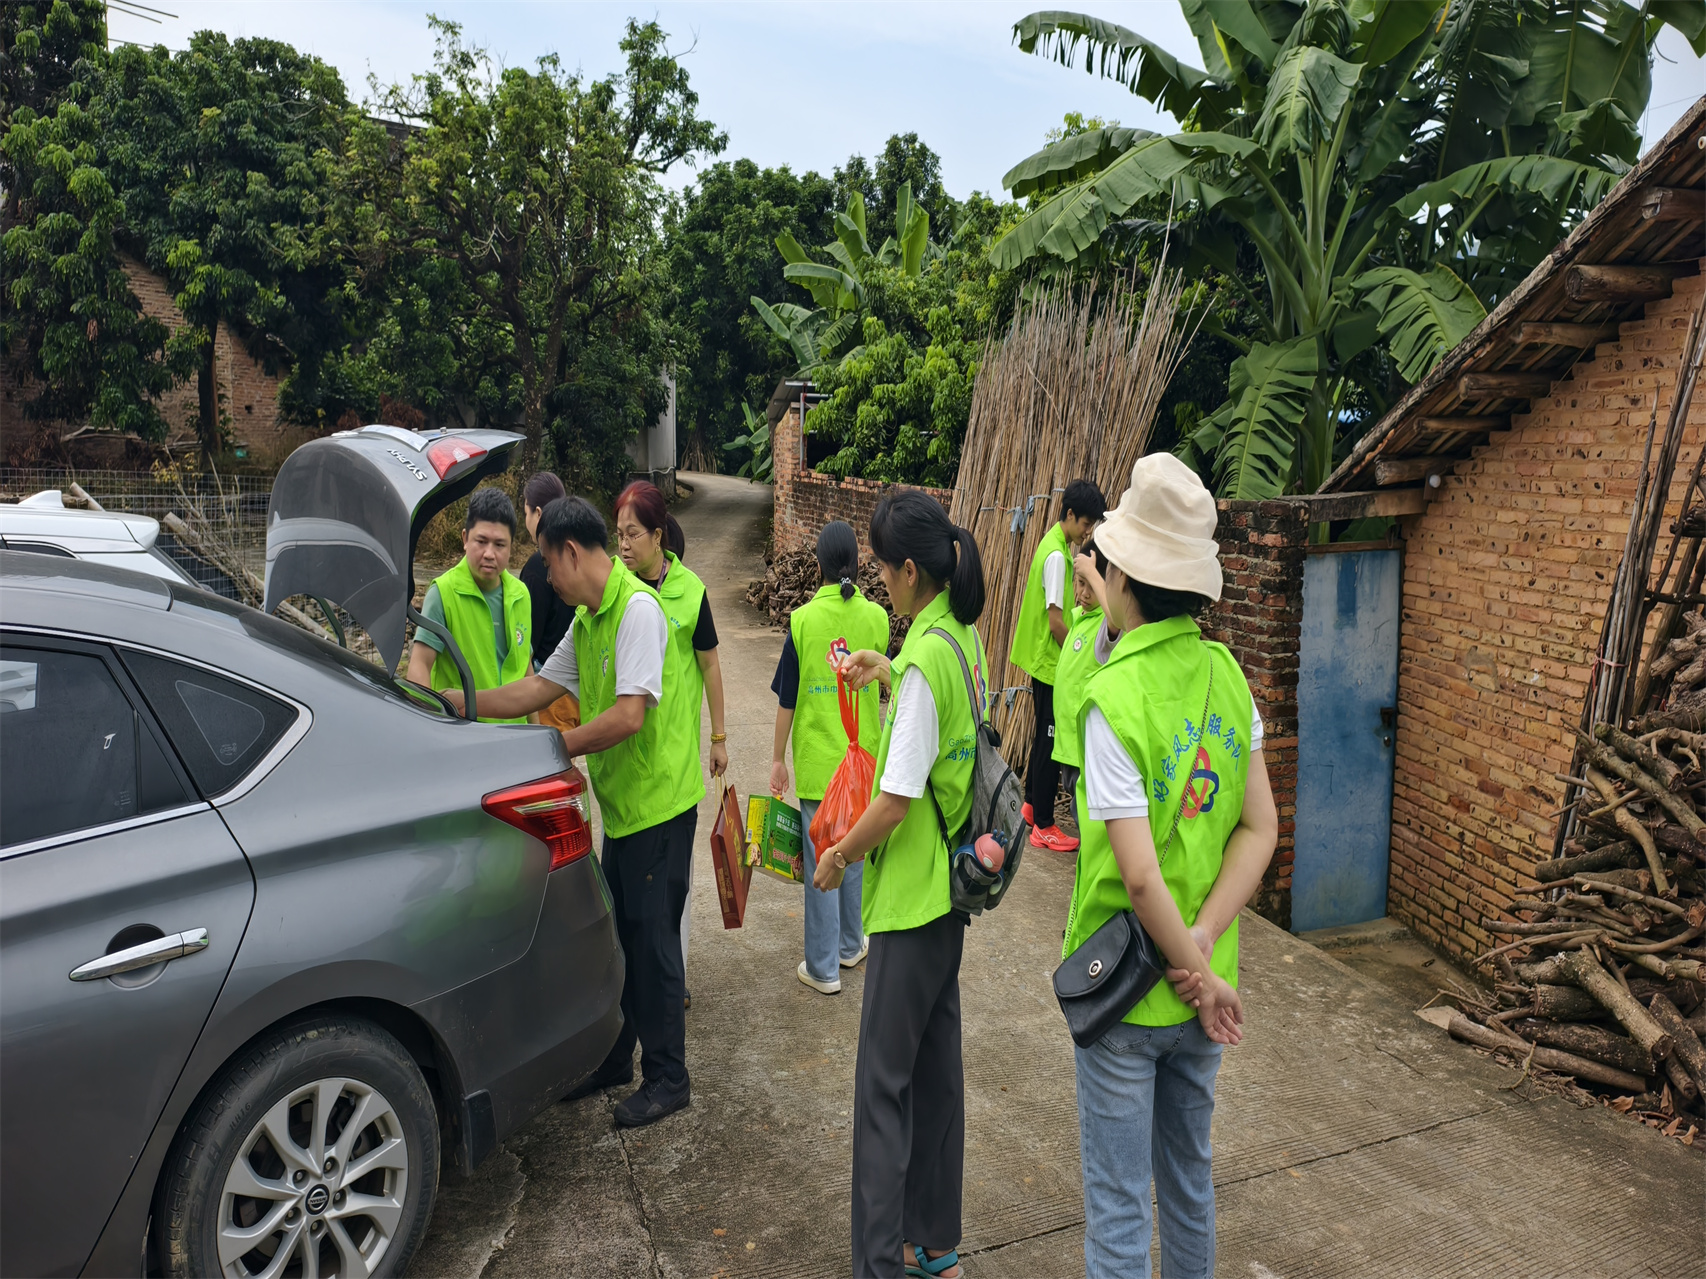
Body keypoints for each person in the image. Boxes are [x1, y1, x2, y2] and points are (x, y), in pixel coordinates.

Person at [1064, 454, 1278, 1279]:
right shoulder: (1229, 676)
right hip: (1206, 992)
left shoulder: (1112, 699)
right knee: (1188, 1182)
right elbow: (1259, 829)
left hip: (1126, 990)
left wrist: (1185, 963)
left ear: (1122, 579)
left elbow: (1140, 877)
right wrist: (1206, 951)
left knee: (1120, 1208)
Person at [445, 496, 693, 1128]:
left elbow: (630, 715)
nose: (547, 580)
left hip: (661, 806)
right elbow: (535, 689)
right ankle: (616, 1059)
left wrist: (553, 746)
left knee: (653, 942)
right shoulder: (586, 624)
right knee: (621, 935)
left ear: (572, 553)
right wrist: (459, 702)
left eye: (548, 564)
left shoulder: (638, 610)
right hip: (627, 808)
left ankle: (668, 1078)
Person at [812, 491, 987, 1279]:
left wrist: (839, 855)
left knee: (881, 1091)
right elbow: (937, 738)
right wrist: (887, 673)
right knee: (934, 1075)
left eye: (884, 570)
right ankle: (936, 1244)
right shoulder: (957, 639)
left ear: (910, 569)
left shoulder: (924, 661)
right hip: (949, 898)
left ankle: (880, 1263)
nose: (880, 581)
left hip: (911, 898)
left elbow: (894, 798)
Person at [613, 480, 727, 1005]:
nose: (624, 545)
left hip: (675, 768)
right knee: (633, 904)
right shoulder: (615, 592)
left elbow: (710, 666)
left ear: (658, 536)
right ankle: (646, 987)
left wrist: (719, 736)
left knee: (669, 894)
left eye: (633, 534)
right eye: (619, 535)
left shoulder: (692, 592)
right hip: (627, 769)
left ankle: (670, 981)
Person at [769, 521, 887, 995]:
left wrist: (777, 758)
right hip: (864, 762)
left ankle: (822, 969)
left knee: (822, 857)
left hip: (821, 765)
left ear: (816, 566)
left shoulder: (802, 622)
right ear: (857, 565)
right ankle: (850, 944)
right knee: (855, 851)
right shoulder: (878, 618)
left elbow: (787, 699)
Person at [1010, 477, 1105, 852]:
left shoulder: (1058, 548)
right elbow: (1055, 621)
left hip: (1044, 660)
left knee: (1040, 735)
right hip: (1049, 661)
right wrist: (1076, 656)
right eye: (1085, 524)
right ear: (1069, 515)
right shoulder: (1056, 557)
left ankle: (1032, 805)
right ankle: (1045, 825)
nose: (1087, 532)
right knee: (1051, 741)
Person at [405, 487, 531, 724]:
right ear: (465, 539)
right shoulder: (443, 593)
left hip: (516, 739)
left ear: (511, 546)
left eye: (500, 544)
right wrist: (428, 724)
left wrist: (540, 734)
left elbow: (525, 669)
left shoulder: (521, 594)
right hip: (466, 736)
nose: (489, 554)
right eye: (481, 541)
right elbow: (420, 664)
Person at [1050, 535, 1109, 830]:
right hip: (1067, 744)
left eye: (1092, 585)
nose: (1084, 593)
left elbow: (1118, 621)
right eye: (1079, 582)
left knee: (1086, 818)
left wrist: (1095, 576)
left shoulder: (1106, 629)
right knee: (1078, 807)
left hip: (1085, 748)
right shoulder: (1078, 618)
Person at [519, 471, 581, 734]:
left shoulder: (537, 567)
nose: (525, 522)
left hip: (546, 692)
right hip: (575, 688)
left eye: (526, 513)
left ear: (539, 513)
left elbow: (526, 643)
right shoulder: (576, 553)